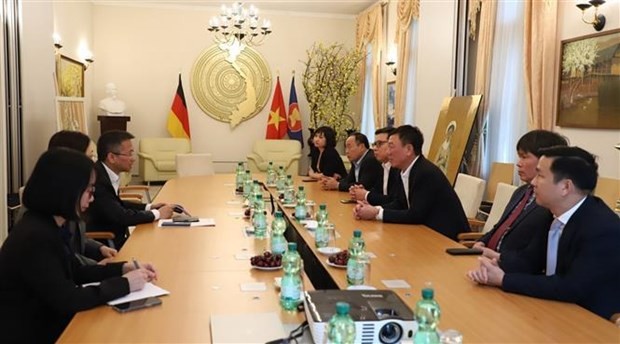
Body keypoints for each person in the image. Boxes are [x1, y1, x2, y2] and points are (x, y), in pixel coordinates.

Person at [0, 148, 157, 343]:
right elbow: (68, 299)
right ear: (66, 190)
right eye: (89, 190)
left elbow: (75, 271)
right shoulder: (35, 237)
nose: (92, 198)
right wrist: (125, 284)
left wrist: (122, 268)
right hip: (35, 332)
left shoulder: (49, 223)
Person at [467, 146, 620, 320]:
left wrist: (504, 279)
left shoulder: (603, 229)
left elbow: (571, 287)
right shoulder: (552, 212)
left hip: (589, 320)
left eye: (540, 175)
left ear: (565, 187)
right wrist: (493, 268)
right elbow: (529, 261)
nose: (533, 182)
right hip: (551, 309)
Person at [353, 125, 469, 240]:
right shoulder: (404, 170)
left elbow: (415, 215)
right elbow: (399, 204)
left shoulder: (425, 172)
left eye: (391, 147)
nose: (388, 152)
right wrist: (371, 209)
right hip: (424, 232)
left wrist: (376, 213)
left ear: (408, 149)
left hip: (446, 238)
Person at [473, 130, 568, 263]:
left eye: (524, 157)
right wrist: (481, 242)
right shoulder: (521, 191)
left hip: (508, 269)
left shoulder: (551, 203)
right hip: (485, 260)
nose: (518, 163)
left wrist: (496, 257)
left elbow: (535, 257)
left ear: (544, 160)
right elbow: (500, 227)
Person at [87, 130, 174, 248]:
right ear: (112, 157)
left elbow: (116, 203)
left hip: (116, 239)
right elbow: (120, 216)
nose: (133, 159)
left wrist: (149, 207)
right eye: (129, 154)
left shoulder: (106, 173)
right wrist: (157, 214)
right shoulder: (98, 180)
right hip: (108, 245)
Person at [48, 130, 117, 265]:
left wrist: (100, 248)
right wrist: (97, 267)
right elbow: (63, 258)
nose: (94, 163)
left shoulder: (72, 192)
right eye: (90, 157)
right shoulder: (50, 204)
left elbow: (76, 237)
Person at [349, 127, 400, 205]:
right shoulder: (383, 166)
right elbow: (378, 191)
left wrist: (366, 195)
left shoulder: (398, 168)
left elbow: (393, 200)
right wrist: (361, 191)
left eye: (379, 144)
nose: (374, 148)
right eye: (374, 144)